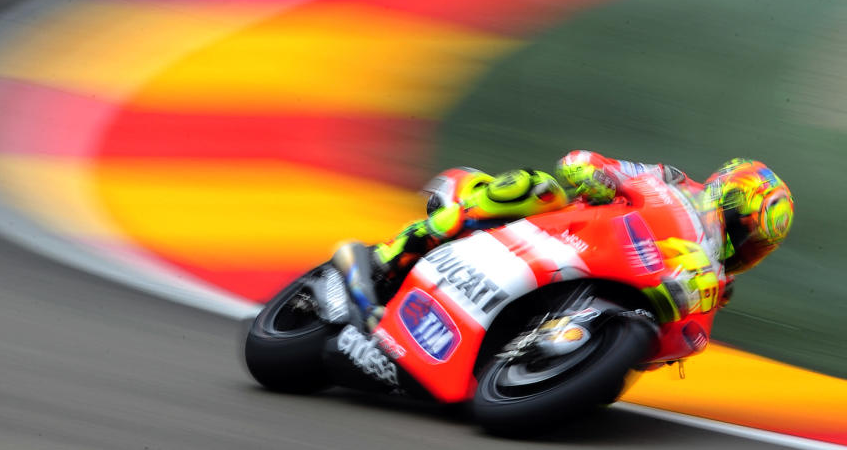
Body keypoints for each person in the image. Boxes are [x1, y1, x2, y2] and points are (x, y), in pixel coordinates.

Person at [334, 151, 793, 329]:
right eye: (745, 228)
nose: (743, 245)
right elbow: (588, 161)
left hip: (616, 275)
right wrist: (597, 175)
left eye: (755, 246)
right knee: (536, 188)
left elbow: (686, 338)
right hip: (576, 227)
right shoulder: (673, 182)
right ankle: (389, 256)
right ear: (730, 199)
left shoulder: (711, 278)